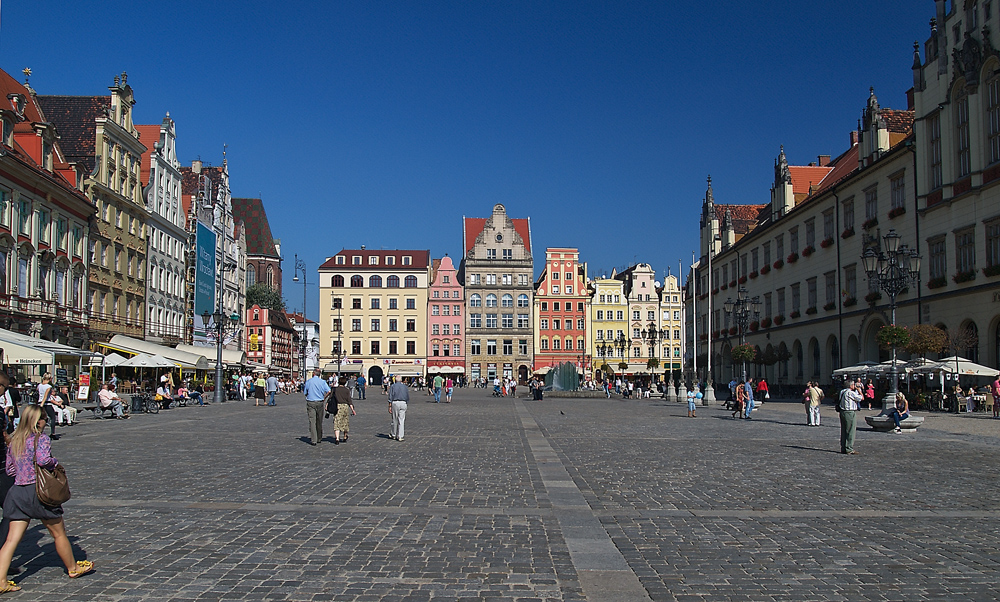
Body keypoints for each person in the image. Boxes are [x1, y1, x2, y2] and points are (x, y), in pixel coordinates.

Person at [0, 404, 95, 593]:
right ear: (38, 420)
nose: (46, 422)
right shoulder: (40, 439)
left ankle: (1, 580)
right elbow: (43, 460)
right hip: (38, 492)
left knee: (11, 540)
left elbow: (10, 469)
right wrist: (55, 462)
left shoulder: (14, 440)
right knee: (58, 533)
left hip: (18, 492)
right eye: (44, 419)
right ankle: (73, 568)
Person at [302, 370, 330, 446]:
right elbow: (329, 391)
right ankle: (319, 437)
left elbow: (305, 393)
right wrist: (324, 397)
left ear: (313, 374)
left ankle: (313, 439)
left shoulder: (308, 382)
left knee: (312, 421)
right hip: (320, 402)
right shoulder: (322, 382)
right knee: (319, 420)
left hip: (311, 402)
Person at [838, 380, 863, 454]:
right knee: (850, 430)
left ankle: (843, 447)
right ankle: (849, 448)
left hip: (842, 411)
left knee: (844, 430)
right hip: (850, 412)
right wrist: (859, 390)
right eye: (853, 385)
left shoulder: (842, 391)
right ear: (850, 385)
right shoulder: (850, 392)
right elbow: (861, 398)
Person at [331, 378, 355, 444]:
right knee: (345, 422)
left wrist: (327, 405)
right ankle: (344, 436)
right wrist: (352, 409)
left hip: (337, 406)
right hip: (345, 407)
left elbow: (330, 398)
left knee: (337, 421)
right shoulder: (346, 390)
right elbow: (349, 400)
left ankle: (337, 438)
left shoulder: (335, 389)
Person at [388, 377, 409, 442]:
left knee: (395, 419)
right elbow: (407, 396)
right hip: (403, 402)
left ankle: (393, 434)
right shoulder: (405, 387)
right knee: (401, 420)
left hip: (395, 402)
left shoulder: (393, 386)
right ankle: (400, 436)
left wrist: (390, 405)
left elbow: (390, 396)